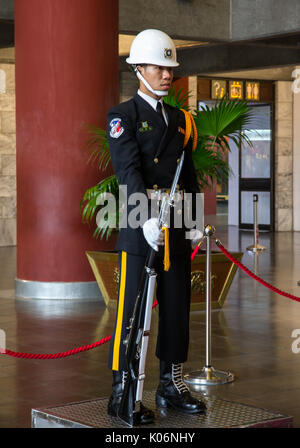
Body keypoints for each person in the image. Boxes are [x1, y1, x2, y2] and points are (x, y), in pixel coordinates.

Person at [106, 29, 206, 424]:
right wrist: (145, 216)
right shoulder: (123, 116)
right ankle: (123, 391)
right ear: (139, 70)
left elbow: (190, 174)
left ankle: (170, 382)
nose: (168, 74)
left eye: (170, 68)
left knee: (177, 306)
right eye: (160, 67)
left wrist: (195, 221)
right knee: (132, 309)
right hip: (140, 221)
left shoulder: (181, 120)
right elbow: (127, 170)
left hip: (176, 224)